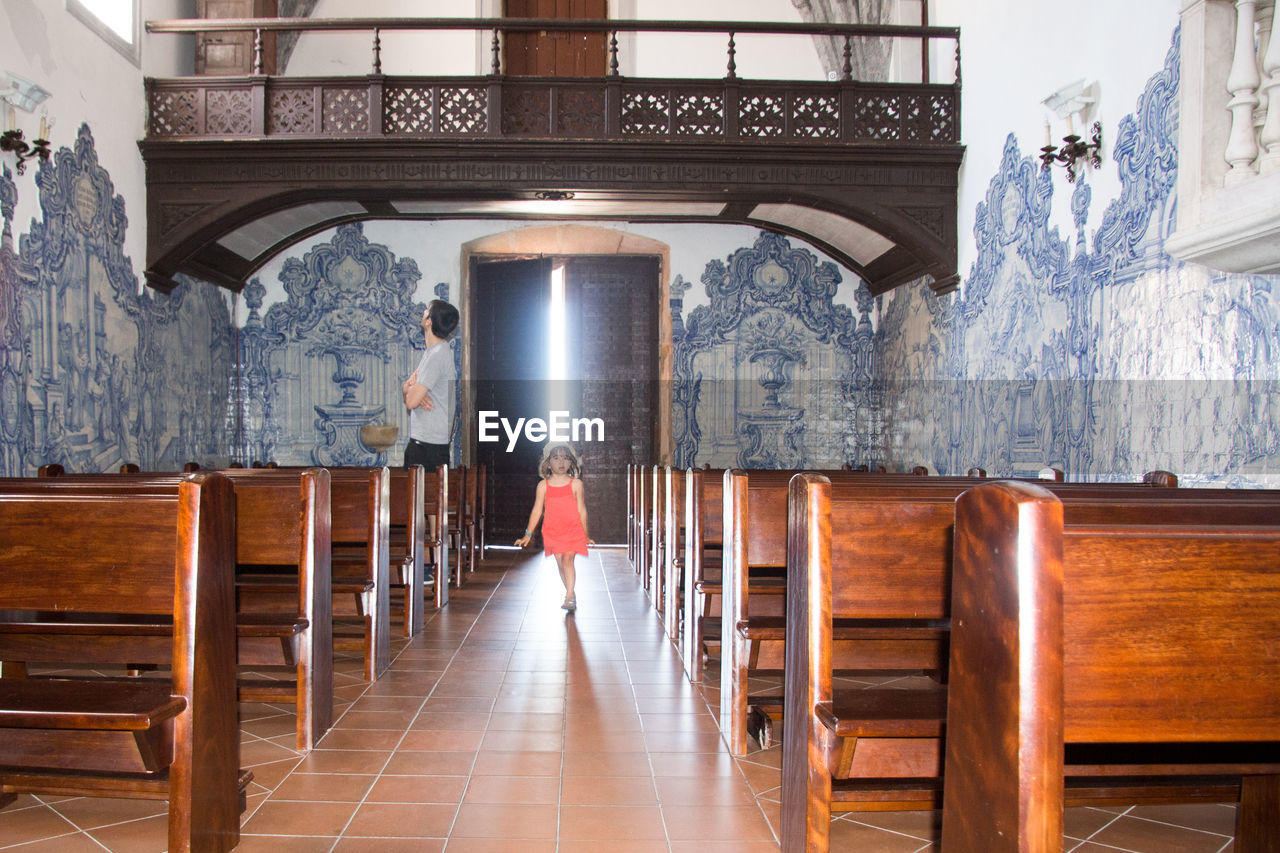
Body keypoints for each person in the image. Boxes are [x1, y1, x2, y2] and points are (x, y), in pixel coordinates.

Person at [515, 442, 594, 613]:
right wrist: (528, 534)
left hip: (573, 529)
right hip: (552, 530)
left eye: (565, 458)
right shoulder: (543, 486)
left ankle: (569, 595)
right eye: (556, 458)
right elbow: (537, 510)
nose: (561, 462)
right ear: (548, 463)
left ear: (571, 462)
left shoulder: (576, 484)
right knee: (560, 562)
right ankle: (570, 594)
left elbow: (582, 510)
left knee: (568, 560)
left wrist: (585, 534)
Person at [402, 299, 459, 471]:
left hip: (428, 448)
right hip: (425, 445)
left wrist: (413, 392)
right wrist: (412, 390)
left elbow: (410, 401)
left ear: (429, 321)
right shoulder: (433, 353)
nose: (423, 312)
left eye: (427, 310)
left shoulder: (437, 355)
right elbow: (407, 389)